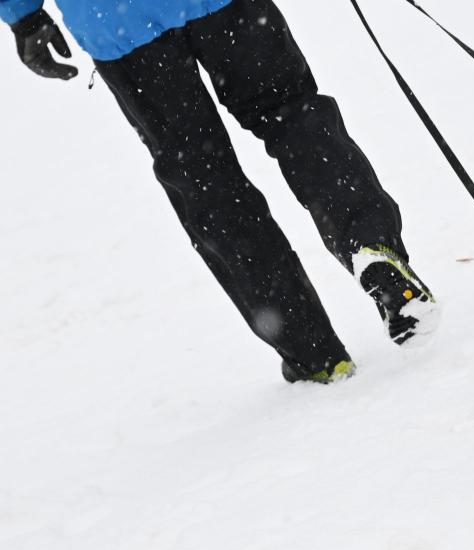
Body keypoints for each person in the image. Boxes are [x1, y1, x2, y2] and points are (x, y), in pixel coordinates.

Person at [1, 0, 438, 384]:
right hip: (227, 8)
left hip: (118, 22)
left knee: (206, 183)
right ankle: (371, 247)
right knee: (293, 116)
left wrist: (24, 17)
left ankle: (311, 351)